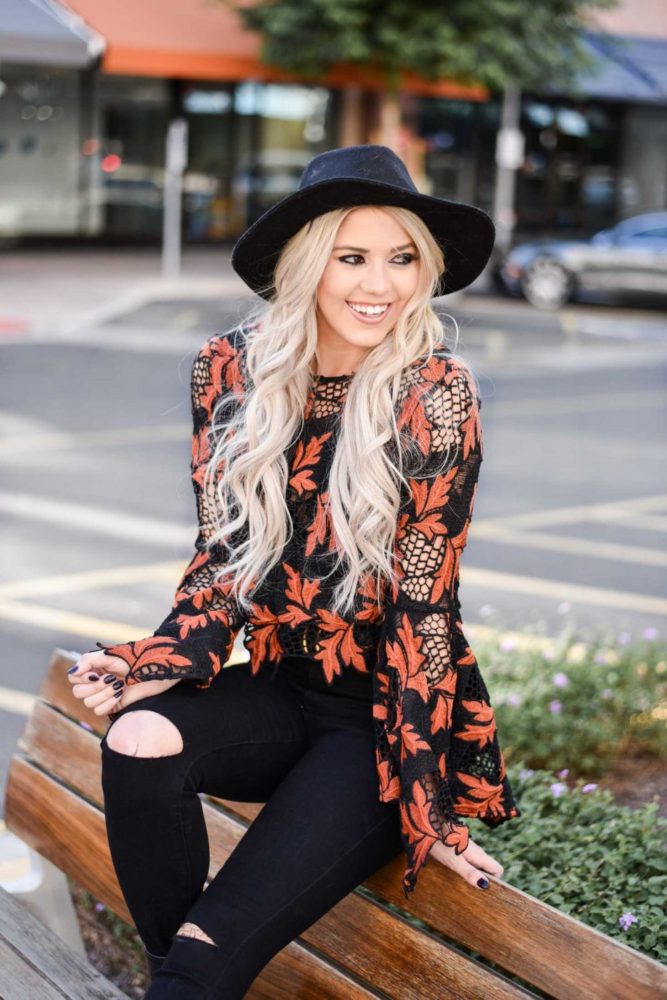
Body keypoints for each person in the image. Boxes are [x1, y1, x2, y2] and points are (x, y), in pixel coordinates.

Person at [66, 144, 521, 999]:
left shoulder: (435, 392)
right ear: (307, 264)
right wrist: (161, 659)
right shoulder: (230, 369)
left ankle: (192, 970)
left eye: (401, 258)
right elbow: (223, 554)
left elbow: (425, 609)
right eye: (352, 258)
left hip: (374, 725)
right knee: (137, 740)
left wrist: (427, 799)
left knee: (200, 958)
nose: (379, 285)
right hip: (278, 693)